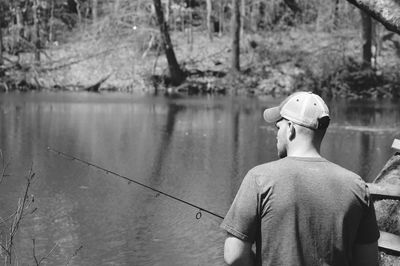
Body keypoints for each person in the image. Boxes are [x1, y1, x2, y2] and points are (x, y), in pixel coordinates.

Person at [221, 91, 380, 266]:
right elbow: (369, 262)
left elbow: (233, 255)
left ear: (290, 128)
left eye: (278, 127)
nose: (276, 134)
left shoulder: (259, 179)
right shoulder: (356, 186)